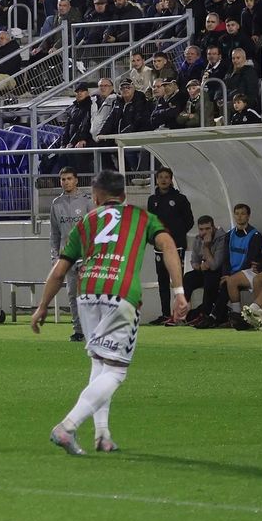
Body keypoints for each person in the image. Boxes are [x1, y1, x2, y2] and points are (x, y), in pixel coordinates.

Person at [32, 171, 186, 456]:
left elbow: (60, 270)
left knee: (100, 364)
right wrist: (178, 292)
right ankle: (67, 426)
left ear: (97, 197)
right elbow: (168, 246)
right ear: (124, 196)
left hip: (87, 293)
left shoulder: (86, 221)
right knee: (115, 371)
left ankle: (102, 435)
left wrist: (42, 306)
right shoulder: (142, 218)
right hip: (121, 294)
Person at [48, 168, 94, 341]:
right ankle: (78, 331)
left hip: (86, 256)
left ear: (76, 180)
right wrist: (55, 257)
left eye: (69, 178)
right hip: (67, 257)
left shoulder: (87, 202)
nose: (65, 182)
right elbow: (54, 234)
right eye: (62, 179)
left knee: (89, 293)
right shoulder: (56, 204)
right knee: (72, 294)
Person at [145, 167, 193, 322]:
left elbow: (189, 221)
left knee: (177, 280)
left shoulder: (180, 199)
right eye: (160, 177)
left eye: (166, 177)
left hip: (176, 246)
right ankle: (165, 314)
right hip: (159, 247)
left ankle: (179, 314)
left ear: (171, 179)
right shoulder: (152, 200)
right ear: (157, 180)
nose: (164, 180)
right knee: (163, 280)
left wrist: (176, 236)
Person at [182, 216, 226, 326]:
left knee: (210, 277)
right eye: (201, 229)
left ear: (213, 227)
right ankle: (181, 312)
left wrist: (206, 246)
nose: (204, 232)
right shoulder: (198, 239)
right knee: (188, 277)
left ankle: (205, 314)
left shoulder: (222, 238)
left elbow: (215, 265)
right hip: (205, 270)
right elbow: (194, 261)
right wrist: (200, 267)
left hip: (220, 273)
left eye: (207, 229)